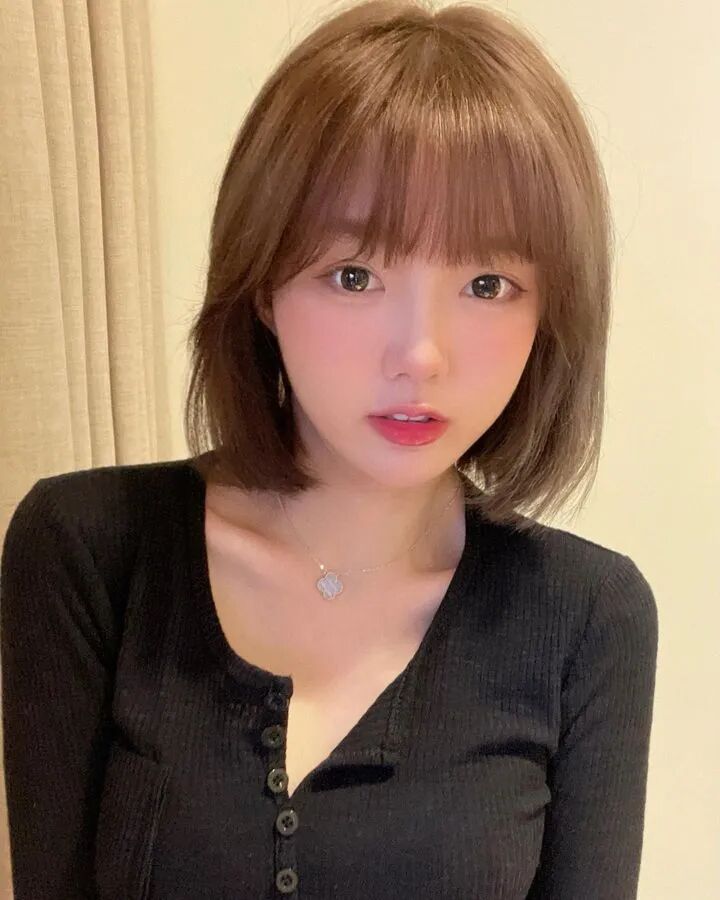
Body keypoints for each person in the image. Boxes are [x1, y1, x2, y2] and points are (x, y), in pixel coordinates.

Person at [0, 0, 659, 897]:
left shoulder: (588, 617)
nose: (420, 355)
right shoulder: (88, 549)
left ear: (550, 311)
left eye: (486, 283)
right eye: (355, 275)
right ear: (262, 285)